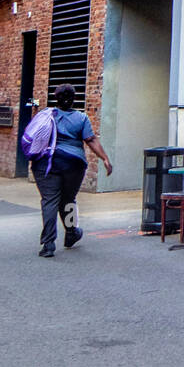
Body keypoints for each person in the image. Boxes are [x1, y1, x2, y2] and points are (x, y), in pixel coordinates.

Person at [34, 84, 112, 258]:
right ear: (74, 99)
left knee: (49, 201)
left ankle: (48, 244)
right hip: (73, 165)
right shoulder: (81, 118)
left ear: (56, 98)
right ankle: (71, 233)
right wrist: (105, 158)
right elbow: (90, 140)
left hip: (46, 164)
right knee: (68, 199)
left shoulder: (46, 115)